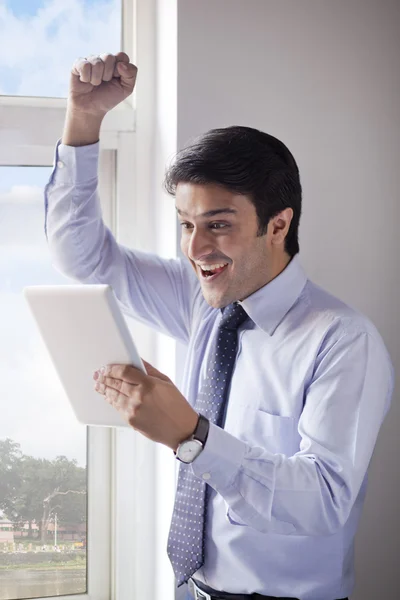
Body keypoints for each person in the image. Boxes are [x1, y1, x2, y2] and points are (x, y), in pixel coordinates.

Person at [45, 52, 394, 600]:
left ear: (279, 225)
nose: (195, 248)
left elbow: (325, 499)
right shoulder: (199, 302)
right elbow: (83, 256)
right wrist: (84, 120)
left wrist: (193, 436)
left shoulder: (343, 342)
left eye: (219, 225)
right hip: (190, 589)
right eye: (186, 224)